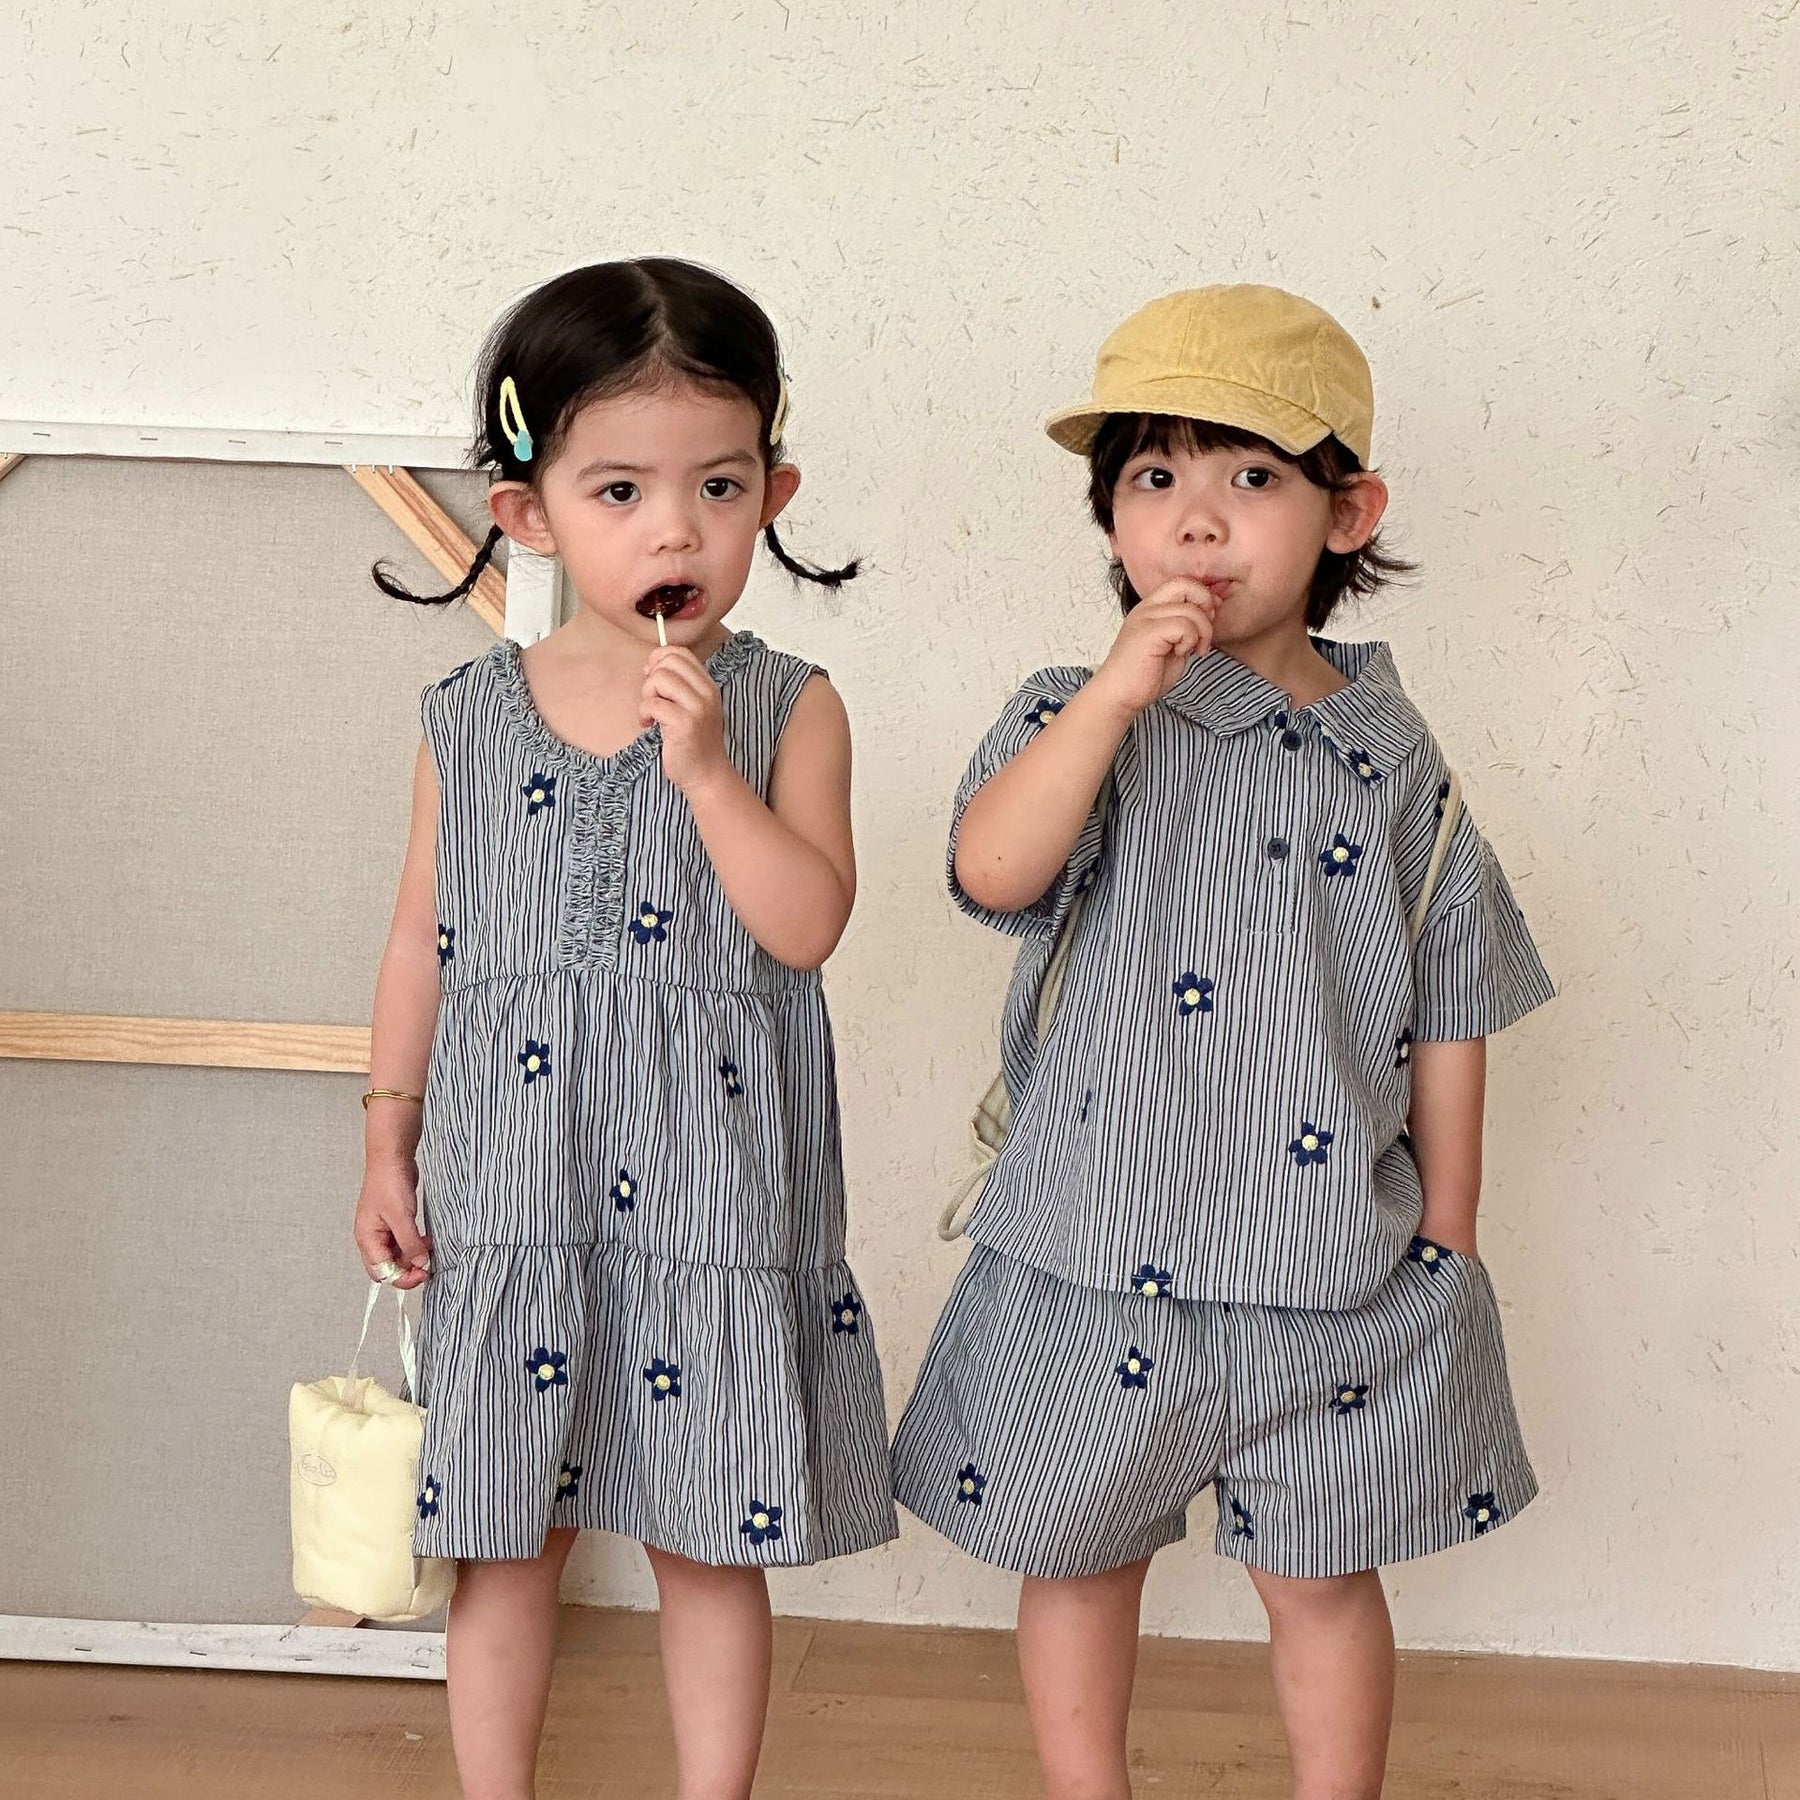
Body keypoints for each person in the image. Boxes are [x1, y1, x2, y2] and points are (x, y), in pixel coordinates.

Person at [892, 284, 1555, 1800]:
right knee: (1075, 1560)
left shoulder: (1393, 758)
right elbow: (994, 872)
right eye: (1154, 477)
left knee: (1321, 1578)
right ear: (1111, 520)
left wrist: (1449, 1231)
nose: (1197, 519)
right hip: (1090, 1244)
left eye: (1251, 475)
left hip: (1328, 1264)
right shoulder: (1077, 716)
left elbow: (1453, 989)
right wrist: (1116, 696)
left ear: (1347, 513)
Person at [353, 257, 896, 1800]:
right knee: (505, 1539)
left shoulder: (791, 707)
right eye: (620, 491)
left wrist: (710, 774)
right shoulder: (465, 717)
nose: (677, 532)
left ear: (774, 492)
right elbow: (421, 940)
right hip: (513, 1198)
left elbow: (806, 924)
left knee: (709, 1539)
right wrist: (386, 1133)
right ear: (527, 512)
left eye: (719, 487)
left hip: (712, 1204)